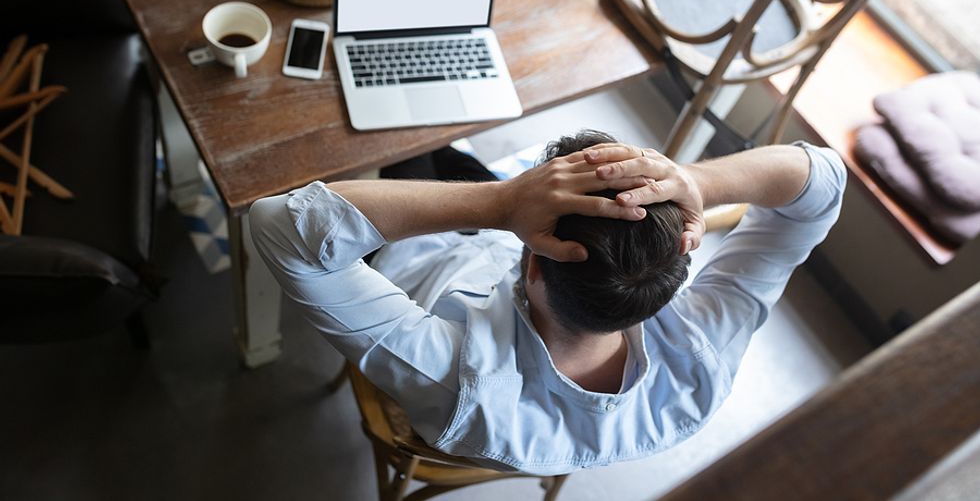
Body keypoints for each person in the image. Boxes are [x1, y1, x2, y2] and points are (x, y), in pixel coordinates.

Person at [249, 130, 845, 475]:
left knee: (406, 144)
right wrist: (699, 182)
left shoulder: (456, 378)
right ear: (668, 276)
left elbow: (278, 224)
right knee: (444, 147)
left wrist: (501, 203)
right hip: (488, 240)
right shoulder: (702, 355)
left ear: (530, 261)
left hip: (428, 257)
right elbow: (821, 181)